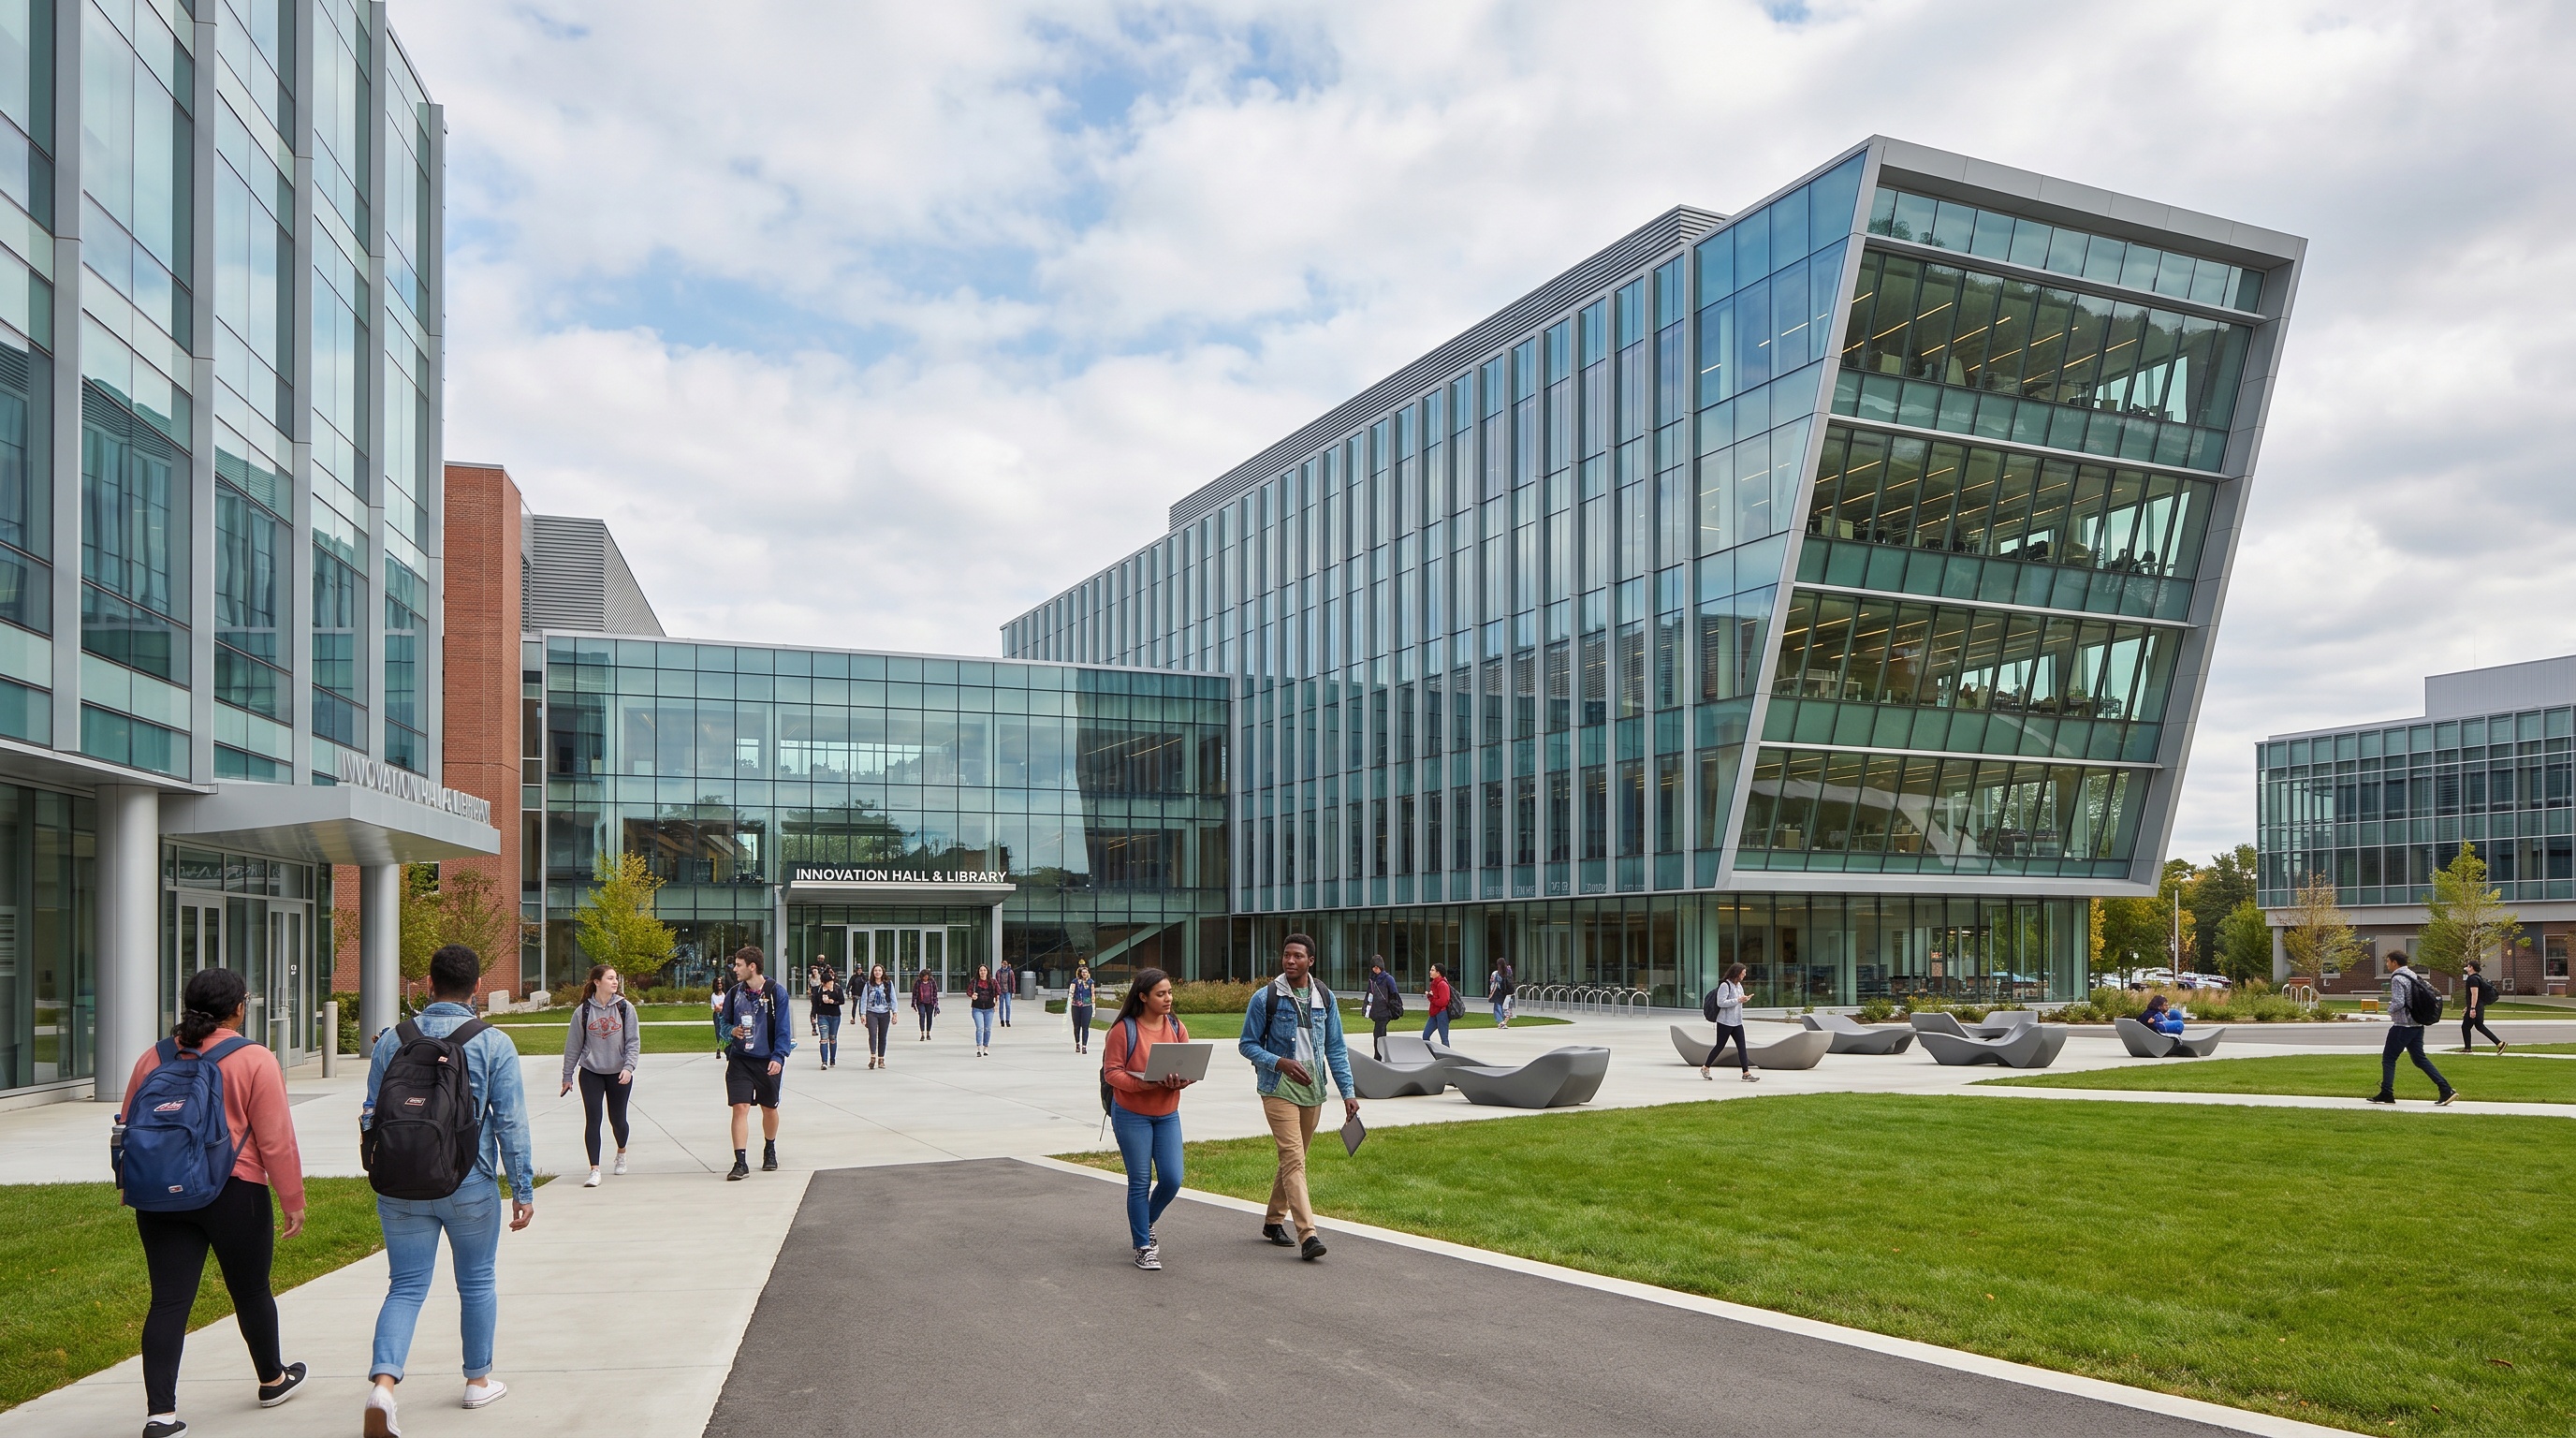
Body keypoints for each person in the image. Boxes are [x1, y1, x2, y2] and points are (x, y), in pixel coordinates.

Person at [118, 967, 310, 1438]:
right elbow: (276, 1139)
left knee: (168, 1301)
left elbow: (128, 1127)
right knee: (251, 1290)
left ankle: (161, 1415)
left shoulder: (153, 1057)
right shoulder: (255, 1058)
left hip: (160, 1195)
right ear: (239, 1008)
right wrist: (292, 1198)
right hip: (234, 1190)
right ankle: (272, 1379)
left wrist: (131, 1185)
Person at [363, 944, 536, 1436]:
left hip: (401, 1184)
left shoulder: (391, 1040)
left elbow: (371, 1113)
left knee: (405, 1286)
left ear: (428, 984)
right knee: (477, 1282)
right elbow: (511, 1124)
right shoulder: (493, 1043)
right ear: (477, 987)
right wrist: (522, 1189)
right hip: (469, 1182)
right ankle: (477, 1382)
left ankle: (383, 1388)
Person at [1237, 933, 1359, 1262]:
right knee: (1294, 1159)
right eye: (1286, 955)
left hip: (1313, 1090)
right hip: (1278, 1088)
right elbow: (1247, 1044)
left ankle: (1273, 1221)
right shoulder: (1266, 998)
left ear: (1311, 961)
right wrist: (1280, 1062)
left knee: (1295, 1159)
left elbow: (1336, 1048)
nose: (1290, 961)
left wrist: (1348, 1092)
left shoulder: (1324, 997)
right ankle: (1309, 1235)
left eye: (1298, 956)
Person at [1102, 966, 1195, 1270]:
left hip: (1167, 1114)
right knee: (1140, 1181)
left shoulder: (1176, 1027)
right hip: (1131, 1114)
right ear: (1143, 997)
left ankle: (1145, 1221)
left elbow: (1187, 1065)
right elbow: (1112, 1073)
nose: (1168, 999)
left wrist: (1183, 1080)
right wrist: (1144, 1084)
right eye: (1161, 994)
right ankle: (1143, 1245)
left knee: (1172, 1179)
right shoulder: (1123, 1030)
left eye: (1170, 992)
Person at [715, 946, 795, 1179]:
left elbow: (783, 1030)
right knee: (740, 1107)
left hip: (767, 1060)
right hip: (740, 1059)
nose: (734, 969)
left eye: (739, 965)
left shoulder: (776, 993)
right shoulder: (734, 994)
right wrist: (732, 1031)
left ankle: (770, 1148)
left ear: (752, 967)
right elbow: (723, 1025)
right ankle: (740, 1162)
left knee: (769, 1108)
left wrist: (778, 1057)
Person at [559, 965, 641, 1187]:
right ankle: (594, 1170)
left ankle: (621, 1152)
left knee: (618, 1121)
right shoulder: (583, 1011)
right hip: (591, 1072)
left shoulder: (625, 1008)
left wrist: (629, 1067)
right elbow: (573, 1046)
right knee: (593, 1120)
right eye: (610, 978)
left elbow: (633, 1041)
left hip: (619, 1073)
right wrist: (567, 1076)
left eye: (615, 978)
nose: (615, 982)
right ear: (597, 982)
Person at [2371, 952, 2457, 1106]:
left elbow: (2399, 1002)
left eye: (2388, 961)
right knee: (2419, 1059)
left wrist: (2388, 1009)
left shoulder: (2397, 978)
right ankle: (2446, 1089)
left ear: (2395, 962)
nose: (2387, 964)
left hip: (2402, 1025)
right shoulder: (2413, 975)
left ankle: (2387, 1092)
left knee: (2389, 1059)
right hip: (2417, 1024)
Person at [1700, 963, 1758, 1081]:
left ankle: (1746, 1073)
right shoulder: (1725, 985)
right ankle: (1705, 1067)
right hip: (1725, 1022)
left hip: (1737, 1021)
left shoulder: (1739, 986)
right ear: (1737, 973)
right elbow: (1721, 1003)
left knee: (1742, 1047)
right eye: (1743, 973)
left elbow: (1738, 1000)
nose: (1744, 975)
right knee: (1720, 1046)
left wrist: (1744, 999)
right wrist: (1738, 1000)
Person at [2460, 959, 2505, 1053]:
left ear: (2471, 967)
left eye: (2468, 966)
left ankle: (2467, 1048)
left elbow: (2474, 994)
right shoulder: (2478, 978)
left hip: (2475, 1007)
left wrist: (2472, 1008)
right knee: (2479, 1026)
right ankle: (2499, 1043)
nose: (2467, 968)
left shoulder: (2472, 979)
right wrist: (2468, 1007)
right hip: (2479, 1006)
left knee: (2465, 1027)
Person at [859, 963, 897, 1069]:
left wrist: (895, 1013)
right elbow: (864, 1000)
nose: (877, 972)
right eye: (876, 970)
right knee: (872, 1034)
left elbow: (893, 998)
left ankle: (881, 1059)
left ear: (883, 972)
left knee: (882, 1036)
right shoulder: (868, 984)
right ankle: (873, 1057)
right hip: (871, 1012)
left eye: (879, 970)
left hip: (884, 1012)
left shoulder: (888, 984)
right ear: (873, 972)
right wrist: (863, 1014)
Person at [1363, 956, 1400, 1060]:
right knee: (1378, 1035)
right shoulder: (1372, 980)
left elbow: (1394, 995)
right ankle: (1380, 1056)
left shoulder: (1388, 979)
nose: (1375, 969)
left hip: (1385, 1012)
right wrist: (1366, 1008)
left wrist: (1393, 1007)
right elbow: (1369, 994)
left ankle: (1379, 1057)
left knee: (1379, 1036)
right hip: (1376, 1011)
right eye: (1374, 967)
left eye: (1377, 967)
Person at [810, 965, 845, 1069]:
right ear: (823, 983)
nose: (831, 984)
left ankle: (832, 1059)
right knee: (824, 1038)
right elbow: (815, 1004)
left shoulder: (837, 988)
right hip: (822, 1015)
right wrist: (813, 1015)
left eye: (831, 982)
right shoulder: (818, 990)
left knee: (833, 1038)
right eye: (828, 983)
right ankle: (824, 1061)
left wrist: (833, 1002)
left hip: (835, 1016)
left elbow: (842, 1001)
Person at [969, 962, 1000, 1056]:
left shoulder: (993, 982)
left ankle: (986, 1047)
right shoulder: (974, 981)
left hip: (989, 1009)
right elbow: (969, 991)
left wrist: (996, 1004)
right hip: (977, 1008)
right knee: (980, 1028)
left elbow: (997, 992)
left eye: (984, 970)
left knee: (987, 1029)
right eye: (981, 970)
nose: (983, 972)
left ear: (987, 972)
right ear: (978, 972)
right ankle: (979, 1048)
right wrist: (972, 995)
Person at [1421, 962, 1454, 1048]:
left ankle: (1447, 1054)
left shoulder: (1442, 984)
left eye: (1432, 970)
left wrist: (1432, 998)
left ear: (1438, 973)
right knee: (1425, 1036)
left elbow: (1444, 1001)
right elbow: (1435, 998)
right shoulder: (1434, 983)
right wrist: (1430, 996)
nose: (1430, 972)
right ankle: (1430, 1052)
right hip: (1434, 1013)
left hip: (1442, 1013)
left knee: (1444, 1039)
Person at [1068, 962, 1096, 1055]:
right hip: (1076, 1006)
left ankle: (1084, 1046)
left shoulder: (1090, 982)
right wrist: (1069, 1003)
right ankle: (1077, 1044)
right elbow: (1071, 992)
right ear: (1080, 973)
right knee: (1076, 1026)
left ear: (1088, 973)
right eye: (1082, 972)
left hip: (1087, 1005)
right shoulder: (1075, 981)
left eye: (1085, 972)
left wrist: (1093, 1006)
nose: (1084, 973)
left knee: (1085, 1027)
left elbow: (1093, 994)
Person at [912, 967, 941, 1041]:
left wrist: (936, 1003)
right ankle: (922, 1033)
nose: (925, 978)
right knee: (921, 1015)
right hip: (920, 1002)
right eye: (924, 976)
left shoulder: (932, 982)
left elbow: (935, 992)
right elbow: (914, 992)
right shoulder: (918, 982)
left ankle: (928, 1033)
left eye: (927, 976)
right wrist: (913, 1002)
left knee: (929, 1017)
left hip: (930, 1002)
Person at [1490, 958, 1515, 1029]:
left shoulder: (1495, 973)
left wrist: (1491, 993)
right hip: (1508, 993)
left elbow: (1492, 984)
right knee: (1507, 1008)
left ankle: (1500, 1022)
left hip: (1499, 993)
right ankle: (1504, 1022)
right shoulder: (1509, 972)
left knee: (1498, 1007)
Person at [997, 958, 1018, 1028]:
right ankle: (1002, 1020)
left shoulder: (1010, 972)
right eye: (1003, 963)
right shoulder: (998, 972)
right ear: (1001, 964)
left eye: (1005, 963)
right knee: (1001, 1007)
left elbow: (1013, 982)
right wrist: (997, 991)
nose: (1004, 965)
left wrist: (1013, 991)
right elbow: (996, 982)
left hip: (1008, 991)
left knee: (1008, 1005)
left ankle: (1008, 1020)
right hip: (1001, 991)